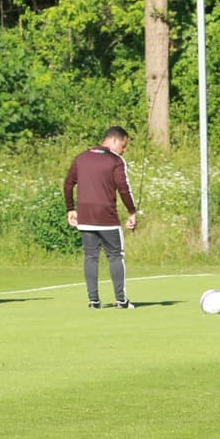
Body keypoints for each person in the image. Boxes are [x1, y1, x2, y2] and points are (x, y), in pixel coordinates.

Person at [64, 126, 139, 309]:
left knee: (91, 257)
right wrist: (132, 211)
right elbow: (123, 188)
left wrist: (71, 209)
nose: (124, 150)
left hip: (86, 217)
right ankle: (121, 300)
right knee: (115, 256)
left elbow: (68, 184)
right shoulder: (116, 161)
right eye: (123, 145)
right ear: (114, 141)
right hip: (107, 217)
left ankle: (93, 301)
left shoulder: (81, 158)